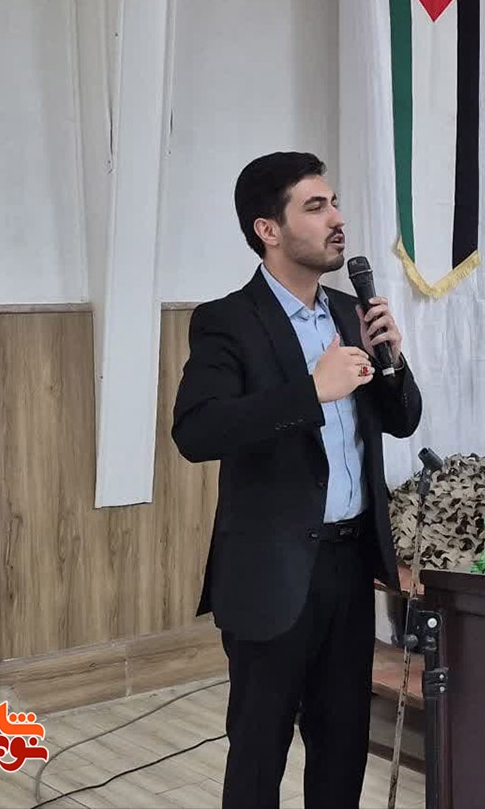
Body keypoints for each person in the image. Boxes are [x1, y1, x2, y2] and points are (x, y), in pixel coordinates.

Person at [171, 151, 423, 808]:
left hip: (349, 564)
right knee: (260, 754)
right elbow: (196, 431)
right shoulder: (228, 320)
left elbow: (402, 421)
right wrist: (310, 392)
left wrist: (393, 361)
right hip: (270, 572)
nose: (337, 219)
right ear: (269, 230)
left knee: (342, 746)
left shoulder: (348, 312)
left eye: (334, 203)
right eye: (316, 207)